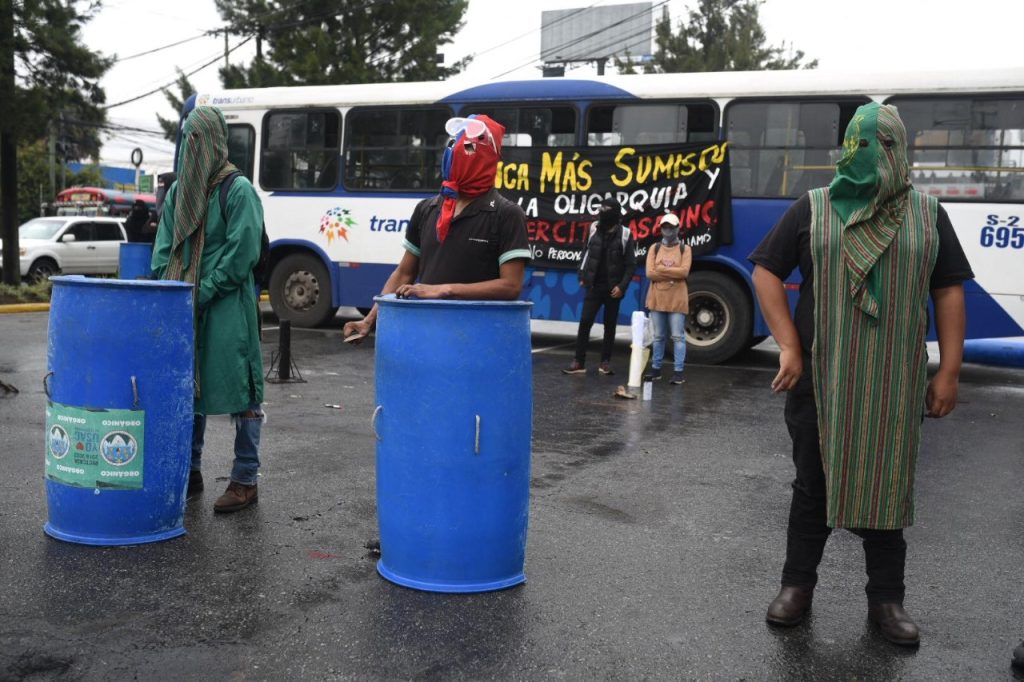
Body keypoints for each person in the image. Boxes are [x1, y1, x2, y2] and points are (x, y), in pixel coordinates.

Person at [749, 102, 973, 646]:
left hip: (892, 384)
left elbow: (947, 290)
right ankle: (796, 587)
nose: (875, 157)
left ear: (903, 152)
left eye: (887, 146)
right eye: (864, 145)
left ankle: (885, 601)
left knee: (887, 487)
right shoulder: (814, 207)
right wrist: (788, 347)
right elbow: (765, 272)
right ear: (848, 148)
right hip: (820, 381)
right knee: (813, 487)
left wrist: (949, 371)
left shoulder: (927, 213)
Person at [151, 106, 266, 514]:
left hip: (227, 304)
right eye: (188, 140)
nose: (193, 148)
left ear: (217, 142)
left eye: (200, 140)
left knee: (244, 390)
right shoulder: (181, 191)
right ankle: (191, 471)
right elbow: (163, 250)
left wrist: (203, 288)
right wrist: (170, 291)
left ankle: (245, 479)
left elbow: (243, 253)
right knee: (189, 386)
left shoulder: (237, 190)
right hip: (186, 306)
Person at [342, 115, 530, 341]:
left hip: (477, 338)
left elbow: (510, 286)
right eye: (453, 146)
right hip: (427, 335)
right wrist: (369, 320)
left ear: (484, 160)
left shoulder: (507, 214)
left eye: (467, 149)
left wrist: (444, 290)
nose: (455, 155)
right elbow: (405, 273)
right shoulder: (427, 209)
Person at [562, 197, 637, 376]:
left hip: (613, 289)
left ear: (616, 214)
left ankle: (605, 362)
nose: (602, 213)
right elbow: (585, 253)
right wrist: (582, 275)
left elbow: (631, 265)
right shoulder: (593, 228)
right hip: (593, 286)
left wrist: (622, 287)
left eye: (607, 210)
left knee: (609, 326)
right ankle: (578, 361)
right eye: (601, 209)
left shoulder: (625, 234)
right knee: (585, 321)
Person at [642, 213, 691, 385]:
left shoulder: (685, 249)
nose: (668, 230)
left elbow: (684, 272)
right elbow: (649, 273)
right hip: (657, 299)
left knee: (678, 337)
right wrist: (672, 272)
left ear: (678, 228)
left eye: (671, 227)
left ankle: (678, 372)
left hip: (677, 300)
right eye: (665, 227)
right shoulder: (654, 248)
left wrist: (660, 269)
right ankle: (656, 370)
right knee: (658, 337)